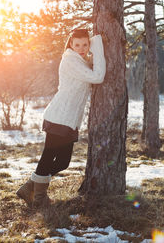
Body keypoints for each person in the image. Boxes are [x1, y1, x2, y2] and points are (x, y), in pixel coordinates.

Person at [16, 29, 106, 207]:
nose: (81, 48)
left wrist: (94, 50)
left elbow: (93, 71)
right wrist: (99, 47)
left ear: (88, 44)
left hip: (69, 120)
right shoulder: (71, 61)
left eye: (85, 44)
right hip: (59, 116)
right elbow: (98, 76)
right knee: (48, 157)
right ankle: (39, 198)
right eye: (77, 44)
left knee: (63, 162)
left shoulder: (80, 61)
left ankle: (30, 187)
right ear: (71, 44)